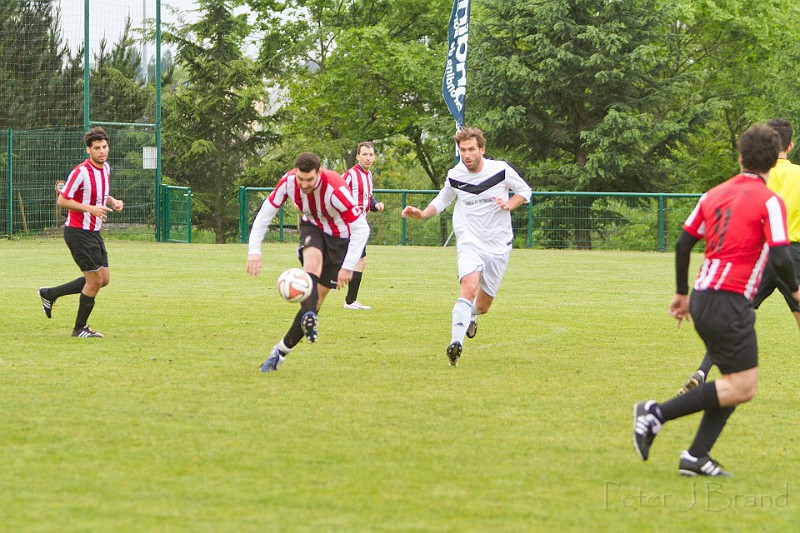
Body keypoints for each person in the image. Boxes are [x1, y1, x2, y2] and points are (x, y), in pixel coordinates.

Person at [633, 123, 799, 477]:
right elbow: (782, 258)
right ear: (774, 163)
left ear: (739, 156)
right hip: (729, 301)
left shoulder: (713, 193)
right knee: (743, 385)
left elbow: (682, 244)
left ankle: (696, 456)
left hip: (704, 297)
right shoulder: (770, 200)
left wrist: (681, 293)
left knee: (732, 384)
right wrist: (796, 291)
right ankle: (654, 413)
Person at [676, 118, 800, 395]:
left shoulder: (757, 173)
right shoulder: (798, 176)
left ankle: (702, 371)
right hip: (791, 252)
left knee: (735, 317)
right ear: (790, 146)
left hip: (759, 255)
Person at [401, 127, 532, 366]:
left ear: (482, 149)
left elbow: (525, 190)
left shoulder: (500, 170)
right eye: (462, 150)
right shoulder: (455, 174)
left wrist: (510, 204)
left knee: (482, 306)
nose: (467, 154)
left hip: (498, 245)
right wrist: (422, 214)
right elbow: (442, 199)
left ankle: (470, 315)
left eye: (471, 149)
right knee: (468, 287)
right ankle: (456, 342)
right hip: (469, 241)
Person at [247, 152, 370, 372]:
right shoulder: (289, 182)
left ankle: (280, 352)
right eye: (300, 179)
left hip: (340, 238)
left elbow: (362, 228)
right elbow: (266, 213)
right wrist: (254, 251)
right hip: (313, 227)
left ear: (319, 173)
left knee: (316, 301)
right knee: (311, 266)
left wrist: (347, 266)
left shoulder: (335, 190)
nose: (304, 184)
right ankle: (309, 316)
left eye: (309, 180)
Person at [38, 127, 124, 338]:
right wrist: (90, 209)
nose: (102, 151)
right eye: (97, 148)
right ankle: (79, 329)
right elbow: (62, 200)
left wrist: (112, 201)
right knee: (94, 281)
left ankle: (50, 293)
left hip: (93, 231)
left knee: (103, 279)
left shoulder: (106, 168)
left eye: (104, 147)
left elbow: (99, 193)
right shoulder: (80, 171)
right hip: (78, 232)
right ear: (88, 150)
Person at [341, 141, 385, 310]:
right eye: (364, 154)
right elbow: (338, 194)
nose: (368, 158)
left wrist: (375, 205)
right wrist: (350, 209)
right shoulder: (350, 174)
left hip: (360, 224)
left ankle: (351, 301)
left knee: (359, 261)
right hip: (349, 223)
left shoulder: (368, 175)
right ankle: (349, 301)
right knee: (359, 260)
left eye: (371, 155)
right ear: (357, 156)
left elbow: (368, 198)